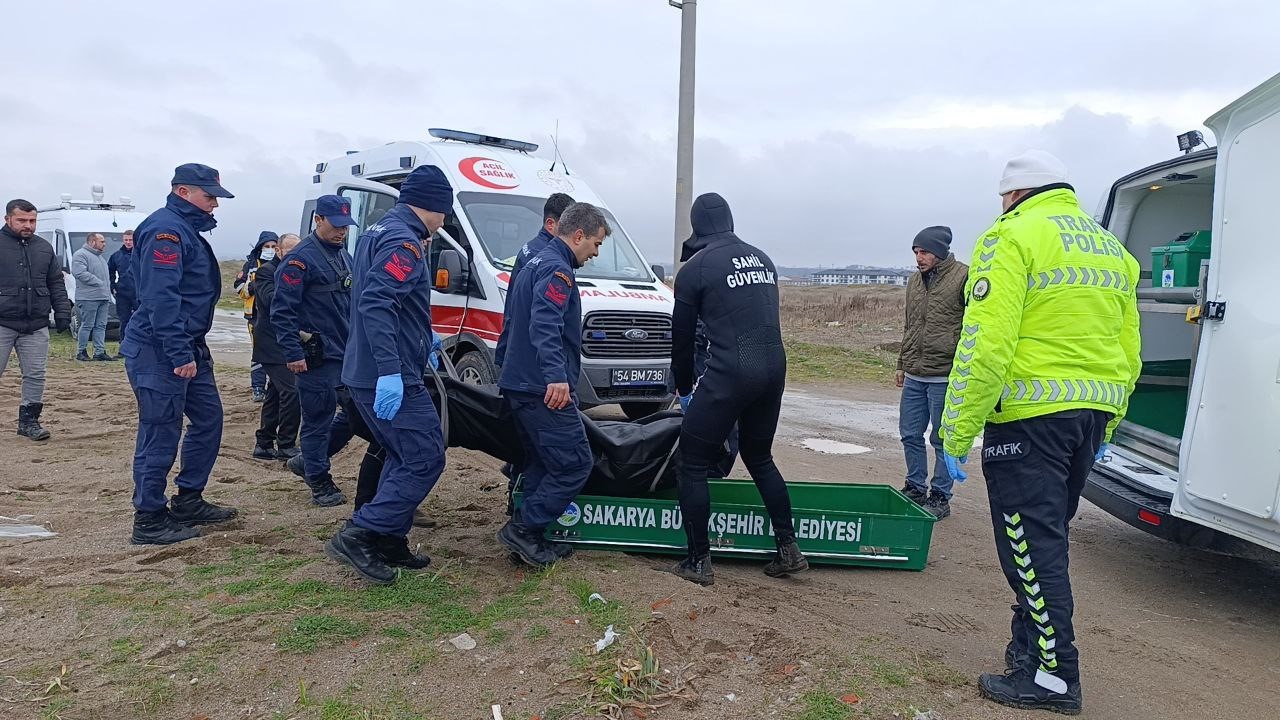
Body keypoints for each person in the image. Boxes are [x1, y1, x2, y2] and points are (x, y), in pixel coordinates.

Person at [939, 150, 1141, 714]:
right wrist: (1110, 420)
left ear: (1013, 195)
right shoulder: (1112, 251)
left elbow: (985, 346)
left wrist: (955, 432)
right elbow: (1129, 351)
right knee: (1043, 541)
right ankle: (1026, 653)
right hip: (1087, 419)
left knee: (1030, 550)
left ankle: (1054, 679)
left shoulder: (1012, 238)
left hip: (1029, 421)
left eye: (1002, 197)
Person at [668, 193, 808, 586]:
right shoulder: (763, 259)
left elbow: (680, 342)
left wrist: (683, 389)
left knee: (691, 463)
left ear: (696, 226)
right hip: (773, 370)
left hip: (730, 372)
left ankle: (698, 561)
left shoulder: (695, 269)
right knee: (760, 457)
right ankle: (788, 549)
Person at [327, 164, 454, 584]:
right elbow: (377, 305)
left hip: (370, 367)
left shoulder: (376, 232)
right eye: (443, 212)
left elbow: (380, 301)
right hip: (386, 372)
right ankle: (361, 532)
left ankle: (390, 539)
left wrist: (423, 337)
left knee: (401, 454)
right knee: (424, 455)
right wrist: (390, 371)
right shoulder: (405, 242)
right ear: (432, 207)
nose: (442, 222)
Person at [119, 164, 239, 545]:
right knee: (160, 431)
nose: (215, 206)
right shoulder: (165, 230)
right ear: (183, 191)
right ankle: (149, 517)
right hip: (161, 348)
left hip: (188, 346)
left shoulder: (185, 228)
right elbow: (160, 298)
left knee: (209, 419)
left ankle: (189, 498)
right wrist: (177, 351)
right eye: (209, 197)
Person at [496, 202, 609, 568]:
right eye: (595, 243)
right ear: (578, 235)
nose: (594, 253)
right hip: (540, 387)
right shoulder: (557, 269)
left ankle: (528, 535)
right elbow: (545, 325)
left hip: (521, 382)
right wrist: (556, 378)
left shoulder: (535, 259)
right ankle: (525, 529)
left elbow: (516, 317)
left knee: (543, 461)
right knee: (576, 462)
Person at [272, 197, 355, 507]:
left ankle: (309, 461)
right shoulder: (299, 260)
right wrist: (293, 353)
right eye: (335, 225)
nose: (341, 231)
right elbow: (282, 311)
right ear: (318, 220)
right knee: (317, 419)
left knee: (354, 415)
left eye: (345, 226)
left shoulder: (344, 256)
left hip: (344, 352)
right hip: (314, 357)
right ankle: (319, 480)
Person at [895, 225, 968, 519]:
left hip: (946, 375)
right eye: (915, 251)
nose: (918, 257)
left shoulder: (964, 277)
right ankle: (914, 487)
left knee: (941, 439)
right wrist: (902, 364)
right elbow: (910, 326)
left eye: (924, 251)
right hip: (915, 374)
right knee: (910, 434)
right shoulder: (914, 281)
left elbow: (975, 326)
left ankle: (940, 496)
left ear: (940, 251)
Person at [1, 198, 72, 441]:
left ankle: (29, 421)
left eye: (32, 220)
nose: (27, 225)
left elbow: (55, 283)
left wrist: (62, 312)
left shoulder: (44, 247)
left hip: (36, 324)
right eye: (22, 220)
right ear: (7, 218)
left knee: (35, 374)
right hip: (2, 322)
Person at [251, 233, 302, 461]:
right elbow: (271, 299)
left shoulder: (300, 270)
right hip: (271, 343)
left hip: (288, 340)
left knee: (275, 393)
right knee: (292, 391)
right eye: (289, 251)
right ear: (280, 251)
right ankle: (286, 444)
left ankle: (263, 442)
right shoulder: (266, 272)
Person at [234, 231, 279, 402]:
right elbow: (239, 289)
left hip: (276, 315)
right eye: (267, 246)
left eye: (274, 246)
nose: (270, 249)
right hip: (255, 316)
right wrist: (255, 283)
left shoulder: (282, 264)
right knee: (259, 352)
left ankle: (275, 385)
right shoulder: (251, 265)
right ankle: (258, 387)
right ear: (260, 247)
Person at [71, 232, 116, 361]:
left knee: (101, 325)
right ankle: (81, 352)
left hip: (102, 297)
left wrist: (107, 291)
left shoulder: (100, 258)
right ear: (92, 242)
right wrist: (99, 282)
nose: (104, 244)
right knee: (87, 325)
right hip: (88, 298)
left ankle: (99, 352)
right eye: (102, 241)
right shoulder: (81, 255)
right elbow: (79, 273)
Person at [109, 229, 137, 337]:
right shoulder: (116, 256)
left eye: (130, 240)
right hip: (123, 293)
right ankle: (123, 346)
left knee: (142, 319)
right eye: (126, 239)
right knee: (124, 320)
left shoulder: (141, 254)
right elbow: (110, 271)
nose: (128, 242)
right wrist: (113, 286)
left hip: (138, 292)